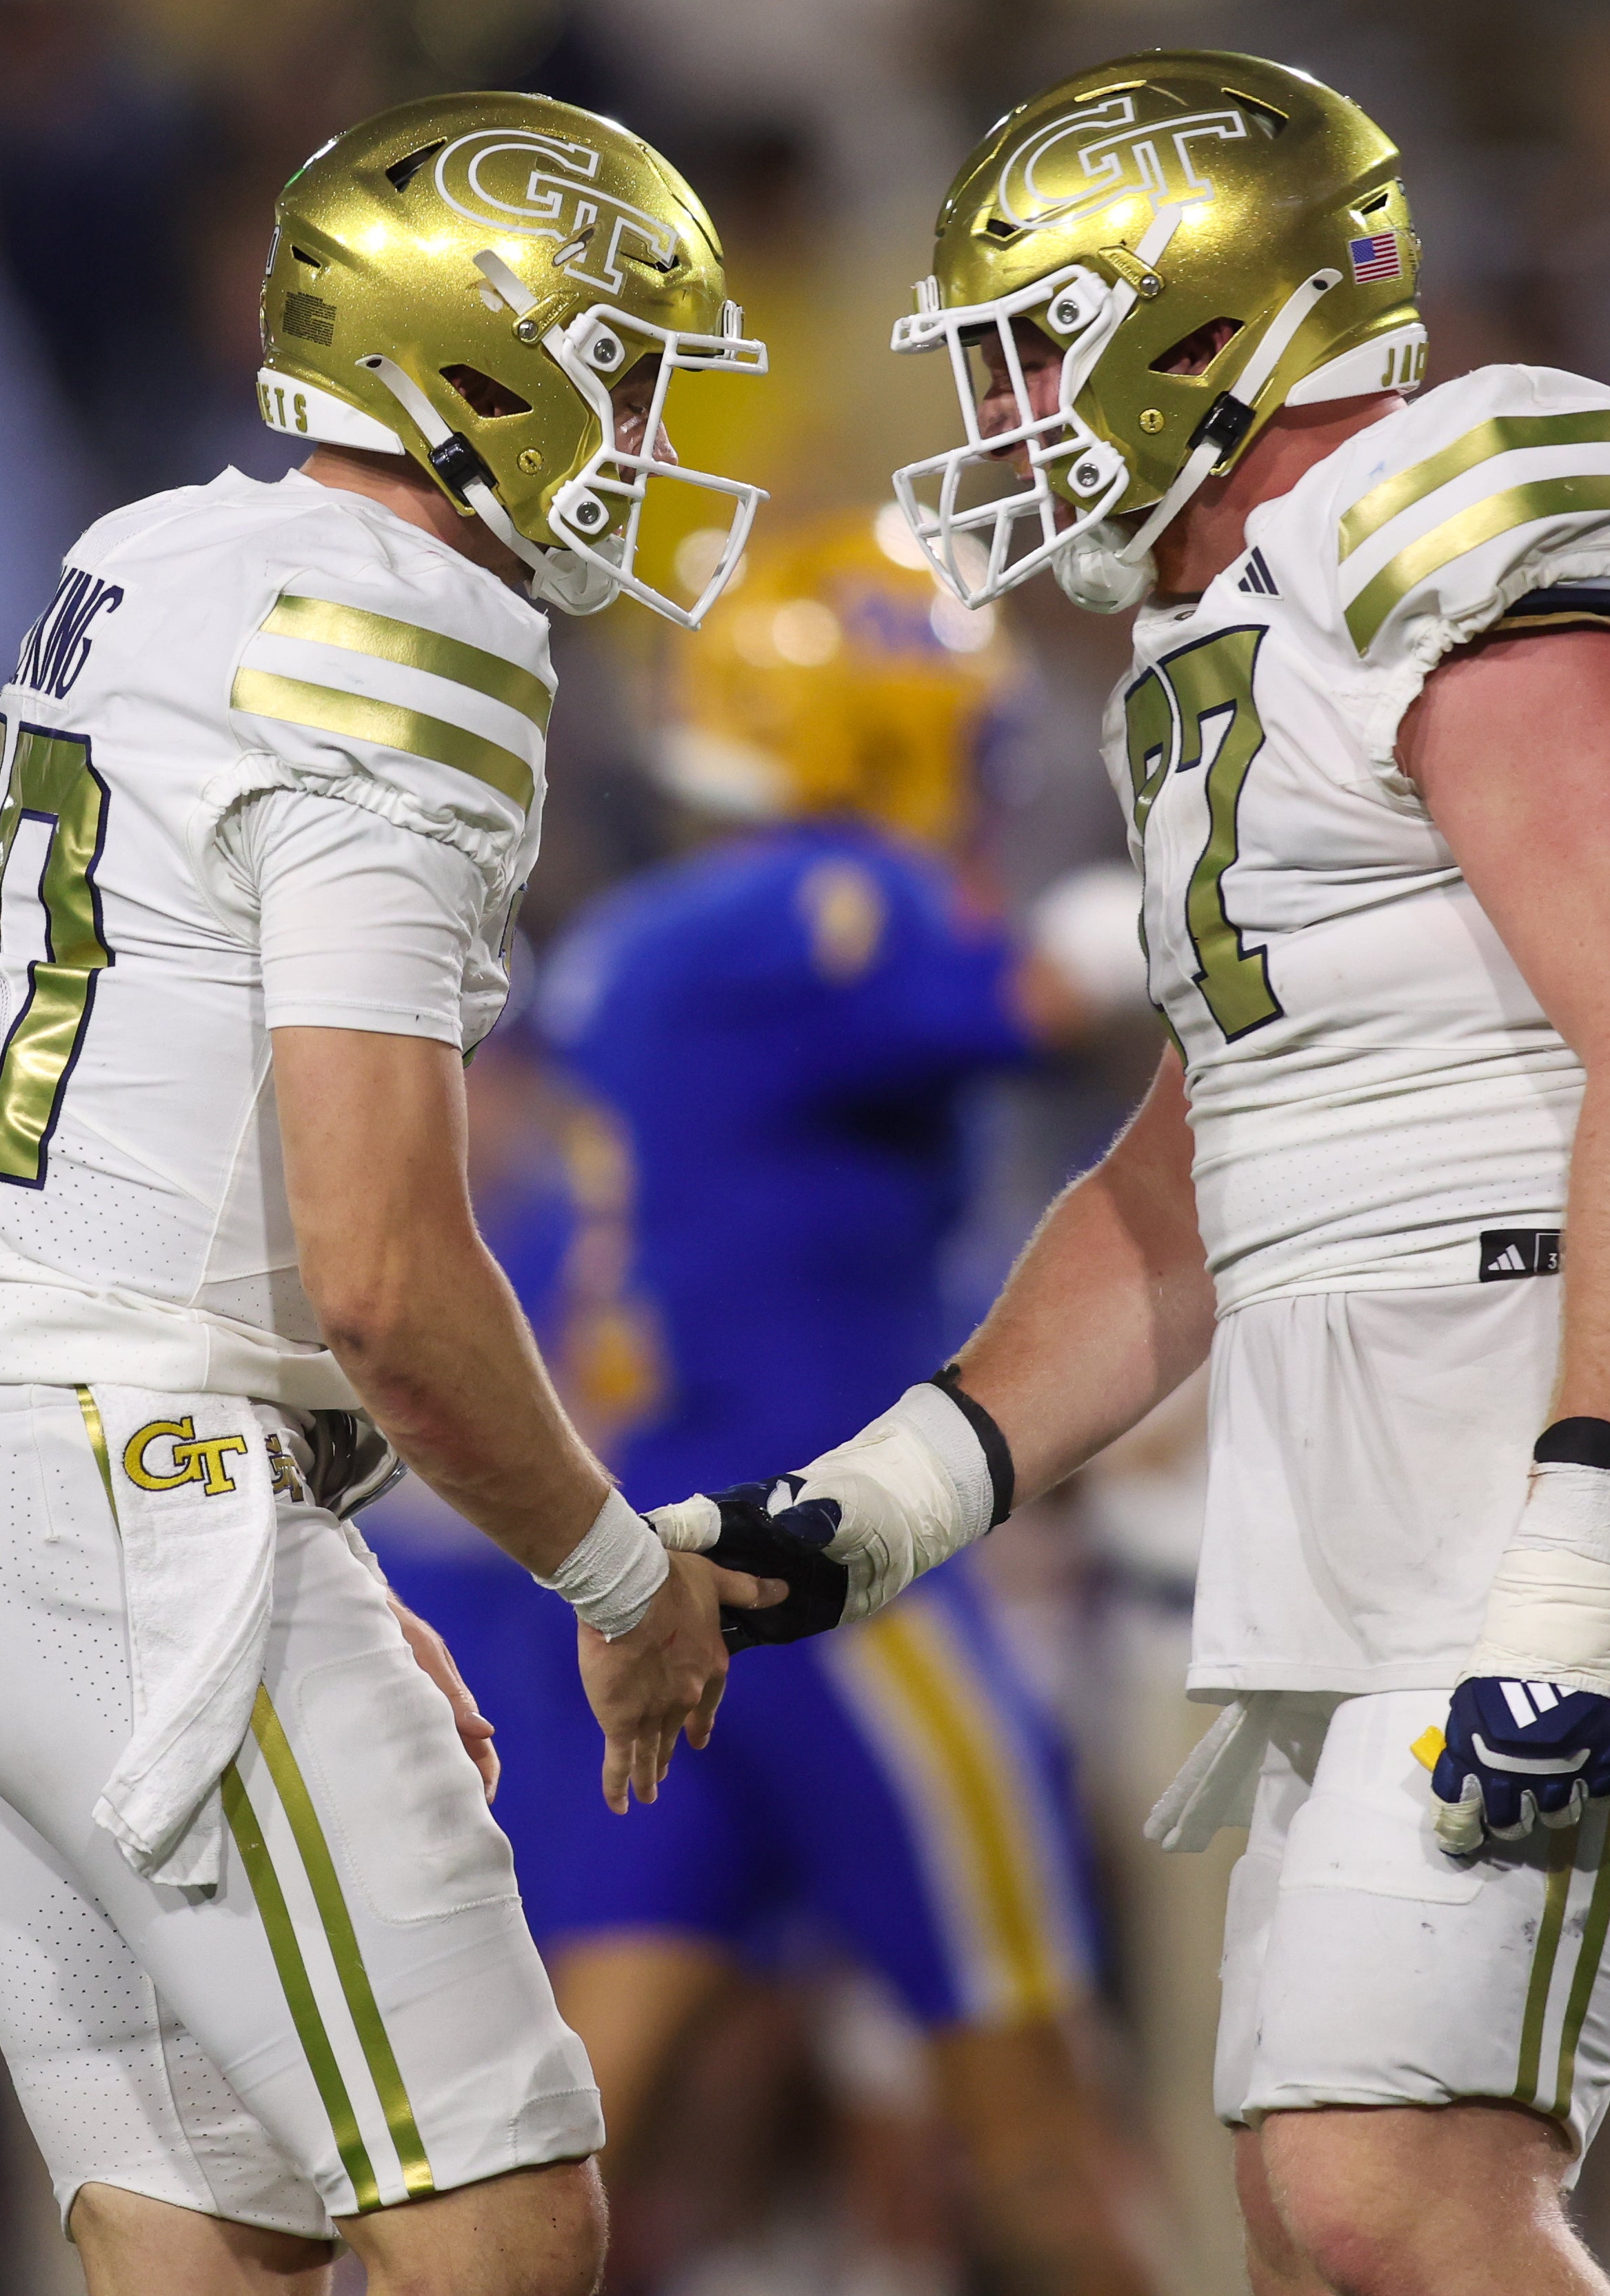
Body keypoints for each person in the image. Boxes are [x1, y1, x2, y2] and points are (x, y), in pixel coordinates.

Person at [654, 51, 1610, 2296]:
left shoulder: (1482, 491)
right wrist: (890, 1499)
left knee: (1388, 2192)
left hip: (1564, 1405)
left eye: (1036, 339)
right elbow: (1196, 1169)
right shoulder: (1225, 629)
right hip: (1371, 1437)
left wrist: (1579, 1557)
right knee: (1307, 2230)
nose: (1008, 407)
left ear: (1206, 326)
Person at [0, 93, 780, 2296]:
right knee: (503, 2218)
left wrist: (289, 1534)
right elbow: (379, 1264)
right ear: (479, 367)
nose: (646, 427)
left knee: (211, 2252)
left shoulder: (157, 549)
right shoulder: (401, 628)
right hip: (128, 1495)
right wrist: (614, 1575)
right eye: (619, 366)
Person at [376, 512, 1152, 2290]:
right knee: (1039, 2136)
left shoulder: (633, 947)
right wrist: (1184, 899)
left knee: (564, 2138)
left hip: (650, 1591)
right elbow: (1055, 987)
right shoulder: (834, 905)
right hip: (833, 1589)